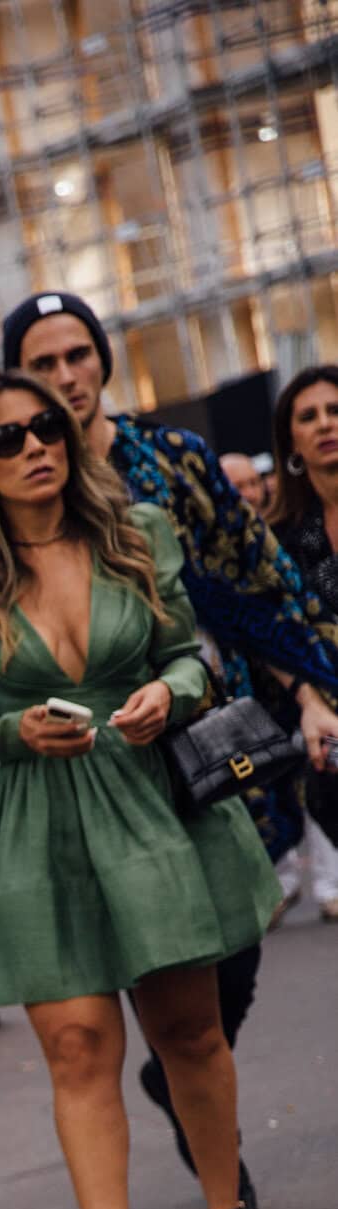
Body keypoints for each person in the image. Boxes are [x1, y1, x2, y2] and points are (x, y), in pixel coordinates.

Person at [0, 373, 280, 1209]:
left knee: (189, 1032)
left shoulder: (137, 535)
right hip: (42, 824)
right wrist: (14, 732)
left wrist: (167, 693)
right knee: (77, 1048)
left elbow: (191, 661)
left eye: (45, 426)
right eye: (7, 437)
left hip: (152, 805)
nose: (34, 445)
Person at [5, 289, 338, 1209]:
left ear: (101, 358)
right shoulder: (16, 489)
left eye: (77, 354)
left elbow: (255, 579)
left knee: (233, 949)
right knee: (158, 957)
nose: (65, 375)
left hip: (204, 738)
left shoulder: (173, 460)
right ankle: (225, 1183)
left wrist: (309, 687)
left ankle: (185, 1076)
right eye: (42, 362)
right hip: (89, 769)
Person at [266, 365, 338, 924]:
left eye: (335, 411)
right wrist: (308, 699)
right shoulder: (283, 538)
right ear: (291, 441)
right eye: (308, 416)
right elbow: (268, 631)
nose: (325, 424)